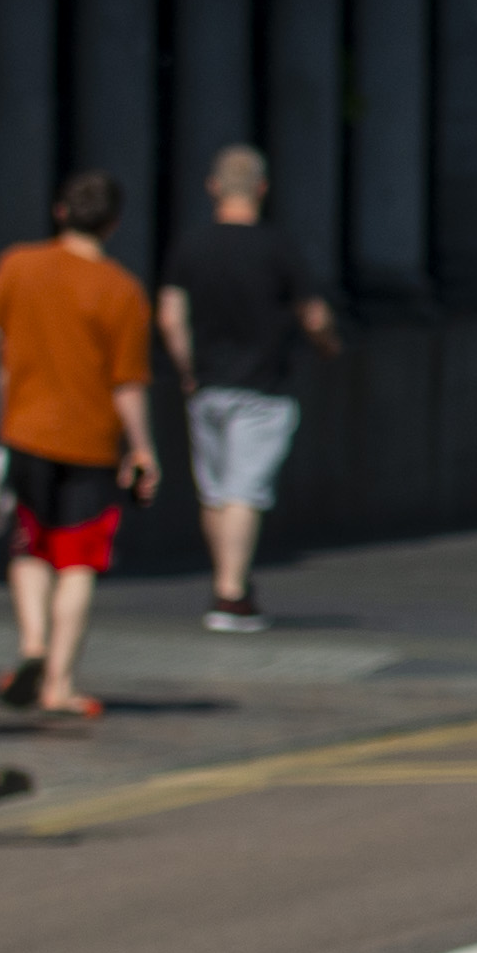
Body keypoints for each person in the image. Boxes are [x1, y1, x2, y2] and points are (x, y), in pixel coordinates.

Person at [0, 175, 161, 723]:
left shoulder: (17, 265)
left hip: (24, 430)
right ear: (113, 223)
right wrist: (143, 449)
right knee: (77, 561)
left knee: (29, 546)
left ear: (60, 210)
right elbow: (127, 383)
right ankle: (59, 682)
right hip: (90, 442)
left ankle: (32, 645)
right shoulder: (123, 290)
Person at [161, 144, 334, 632]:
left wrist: (187, 367)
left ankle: (226, 577)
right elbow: (314, 314)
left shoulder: (191, 245)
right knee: (244, 491)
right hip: (262, 385)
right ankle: (231, 592)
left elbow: (171, 316)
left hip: (208, 384)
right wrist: (326, 345)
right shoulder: (277, 248)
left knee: (216, 492)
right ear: (261, 189)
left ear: (213, 188)